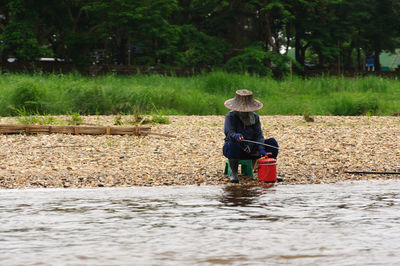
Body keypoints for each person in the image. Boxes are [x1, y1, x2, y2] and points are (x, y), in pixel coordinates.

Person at [223, 89, 278, 183]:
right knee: (232, 143)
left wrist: (261, 148)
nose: (245, 111)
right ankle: (234, 173)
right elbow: (229, 132)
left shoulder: (255, 117)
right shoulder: (231, 116)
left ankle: (270, 170)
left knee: (272, 143)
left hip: (252, 149)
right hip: (237, 149)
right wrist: (236, 136)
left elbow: (259, 134)